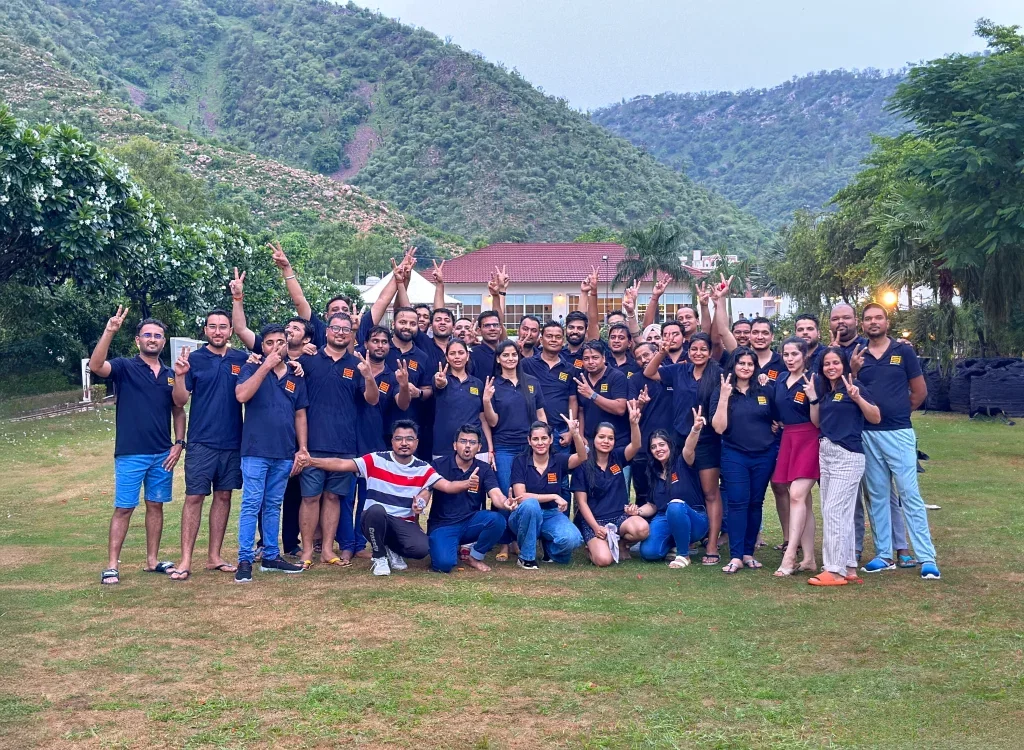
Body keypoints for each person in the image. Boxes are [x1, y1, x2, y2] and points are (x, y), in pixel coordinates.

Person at [301, 421, 479, 576]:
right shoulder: (376, 459)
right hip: (374, 519)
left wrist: (467, 483)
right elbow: (341, 464)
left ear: (416, 442)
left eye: (409, 439)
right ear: (392, 441)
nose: (404, 443)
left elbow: (447, 486)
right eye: (399, 439)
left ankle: (391, 549)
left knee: (422, 548)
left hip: (402, 522)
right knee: (376, 511)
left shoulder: (423, 468)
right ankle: (379, 557)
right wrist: (312, 461)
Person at [91, 309, 186, 585]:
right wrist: (110, 331)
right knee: (124, 508)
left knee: (155, 506)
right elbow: (96, 366)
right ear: (137, 340)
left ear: (163, 341)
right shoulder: (124, 367)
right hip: (131, 452)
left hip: (162, 454)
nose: (152, 339)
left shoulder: (171, 374)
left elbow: (179, 409)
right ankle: (112, 565)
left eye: (157, 336)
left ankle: (152, 561)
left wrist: (179, 444)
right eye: (147, 335)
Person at [856, 303, 940, 580]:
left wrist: (899, 412)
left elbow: (919, 392)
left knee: (909, 494)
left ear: (887, 322)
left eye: (878, 317)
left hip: (899, 432)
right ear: (863, 324)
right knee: (877, 495)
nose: (873, 322)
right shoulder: (858, 353)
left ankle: (927, 557)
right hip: (868, 434)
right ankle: (884, 554)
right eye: (868, 319)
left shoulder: (903, 351)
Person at [168, 309, 249, 581]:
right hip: (201, 442)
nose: (217, 331)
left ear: (230, 331)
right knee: (194, 497)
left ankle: (214, 556)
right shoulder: (194, 359)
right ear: (205, 330)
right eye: (212, 327)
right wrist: (180, 376)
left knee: (224, 496)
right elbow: (179, 401)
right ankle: (185, 560)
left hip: (233, 442)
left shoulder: (241, 359)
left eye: (223, 327)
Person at [298, 312, 379, 568]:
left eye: (346, 329)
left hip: (344, 445)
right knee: (310, 498)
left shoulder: (356, 364)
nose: (340, 333)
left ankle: (327, 550)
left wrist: (368, 376)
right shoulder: (308, 360)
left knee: (334, 498)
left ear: (351, 334)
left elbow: (372, 399)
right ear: (327, 331)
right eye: (336, 328)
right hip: (313, 443)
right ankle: (307, 550)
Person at [233, 325, 308, 582]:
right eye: (269, 342)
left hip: (284, 452)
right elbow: (241, 395)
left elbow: (300, 414)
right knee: (251, 504)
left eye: (280, 342)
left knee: (274, 505)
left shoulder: (296, 374)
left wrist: (302, 448)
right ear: (262, 347)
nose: (275, 346)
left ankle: (271, 556)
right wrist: (266, 366)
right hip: (255, 450)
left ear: (288, 344)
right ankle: (245, 559)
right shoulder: (251, 368)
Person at [642, 332, 724, 564]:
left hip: (706, 441)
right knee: (679, 489)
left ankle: (711, 544)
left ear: (710, 352)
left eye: (703, 349)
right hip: (679, 440)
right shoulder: (680, 370)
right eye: (694, 349)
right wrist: (662, 352)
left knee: (710, 493)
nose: (698, 353)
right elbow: (649, 372)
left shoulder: (716, 374)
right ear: (688, 351)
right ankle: (682, 539)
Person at [803, 348, 881, 586]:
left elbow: (876, 417)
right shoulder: (827, 391)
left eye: (836, 362)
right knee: (840, 512)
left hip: (847, 455)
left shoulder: (854, 387)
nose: (831, 367)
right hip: (826, 453)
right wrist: (813, 398)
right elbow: (818, 422)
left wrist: (857, 398)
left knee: (833, 511)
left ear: (844, 364)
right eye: (827, 364)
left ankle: (834, 570)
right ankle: (848, 567)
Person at [711, 348, 777, 574]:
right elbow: (719, 427)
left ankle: (748, 553)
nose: (746, 367)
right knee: (738, 502)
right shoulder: (723, 390)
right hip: (734, 455)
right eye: (741, 363)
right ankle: (736, 555)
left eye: (750, 364)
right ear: (733, 365)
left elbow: (778, 418)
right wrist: (724, 396)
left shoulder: (765, 389)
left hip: (764, 455)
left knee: (755, 503)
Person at [483, 340, 548, 560]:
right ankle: (504, 543)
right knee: (504, 493)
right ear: (498, 359)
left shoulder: (531, 382)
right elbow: (492, 421)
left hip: (529, 448)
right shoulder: (493, 384)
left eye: (513, 354)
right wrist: (487, 401)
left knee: (524, 495)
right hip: (504, 447)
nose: (510, 359)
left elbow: (540, 414)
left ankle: (520, 539)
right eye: (505, 355)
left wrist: (545, 439)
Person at [353, 325, 411, 560]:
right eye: (375, 341)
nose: (379, 345)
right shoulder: (354, 367)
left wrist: (404, 385)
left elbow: (403, 404)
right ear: (366, 344)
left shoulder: (392, 374)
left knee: (369, 499)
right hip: (348, 440)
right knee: (344, 498)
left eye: (384, 341)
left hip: (376, 443)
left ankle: (364, 543)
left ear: (389, 346)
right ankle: (348, 543)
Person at [426, 425, 513, 573]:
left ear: (479, 447)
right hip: (443, 525)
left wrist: (505, 503)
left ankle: (475, 556)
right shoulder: (438, 465)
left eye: (472, 442)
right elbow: (426, 492)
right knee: (444, 565)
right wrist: (420, 503)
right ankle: (447, 546)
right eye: (463, 441)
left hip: (470, 523)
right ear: (455, 445)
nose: (467, 446)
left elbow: (496, 494)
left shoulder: (484, 468)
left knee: (497, 520)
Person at [571, 403, 648, 566]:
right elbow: (582, 503)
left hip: (619, 517)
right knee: (604, 560)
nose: (606, 441)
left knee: (642, 528)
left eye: (610, 438)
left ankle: (621, 543)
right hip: (594, 521)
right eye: (601, 437)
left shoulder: (617, 457)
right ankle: (592, 548)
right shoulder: (583, 464)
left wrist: (634, 424)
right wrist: (596, 528)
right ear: (593, 439)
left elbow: (636, 445)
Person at [508, 420, 588, 568]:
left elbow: (582, 457)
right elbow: (520, 496)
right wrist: (554, 496)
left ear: (551, 439)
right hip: (524, 515)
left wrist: (575, 434)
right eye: (535, 439)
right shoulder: (520, 461)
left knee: (573, 540)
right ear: (529, 441)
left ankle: (549, 549)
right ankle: (526, 557)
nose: (540, 443)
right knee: (531, 505)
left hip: (551, 514)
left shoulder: (559, 460)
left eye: (544, 438)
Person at [771, 337, 820, 577]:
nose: (790, 359)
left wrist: (813, 397)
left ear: (805, 355)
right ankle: (809, 559)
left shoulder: (813, 380)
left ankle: (790, 554)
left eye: (795, 354)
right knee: (804, 501)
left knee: (797, 495)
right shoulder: (780, 379)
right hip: (788, 438)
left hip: (809, 438)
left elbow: (818, 421)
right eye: (786, 354)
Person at [637, 421, 710, 568]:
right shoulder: (653, 473)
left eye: (661, 444)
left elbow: (689, 448)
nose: (658, 449)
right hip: (664, 518)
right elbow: (652, 505)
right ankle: (676, 543)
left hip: (694, 518)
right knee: (649, 552)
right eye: (653, 447)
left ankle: (683, 555)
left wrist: (695, 429)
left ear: (669, 445)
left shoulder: (683, 461)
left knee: (675, 505)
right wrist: (637, 511)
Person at [269, 241, 352, 348]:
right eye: (335, 309)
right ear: (326, 316)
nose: (340, 312)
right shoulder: (318, 328)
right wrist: (287, 269)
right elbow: (299, 300)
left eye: (345, 310)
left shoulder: (360, 328)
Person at [629, 343, 673, 507]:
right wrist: (641, 404)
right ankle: (642, 523)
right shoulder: (635, 380)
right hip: (643, 447)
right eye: (638, 358)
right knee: (643, 495)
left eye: (646, 355)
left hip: (671, 445)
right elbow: (632, 414)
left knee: (673, 490)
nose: (643, 360)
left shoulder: (672, 373)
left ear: (657, 353)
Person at [431, 339, 490, 460]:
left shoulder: (478, 383)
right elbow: (439, 385)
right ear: (447, 358)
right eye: (452, 353)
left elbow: (483, 417)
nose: (457, 357)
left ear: (467, 356)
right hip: (444, 446)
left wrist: (490, 447)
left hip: (476, 447)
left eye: (461, 353)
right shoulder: (440, 378)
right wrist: (441, 382)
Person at [575, 340, 630, 457]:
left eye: (595, 358)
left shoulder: (617, 376)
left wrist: (592, 395)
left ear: (603, 358)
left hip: (616, 441)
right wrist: (580, 435)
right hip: (590, 442)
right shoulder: (581, 379)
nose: (590, 362)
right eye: (586, 359)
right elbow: (581, 410)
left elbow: (620, 408)